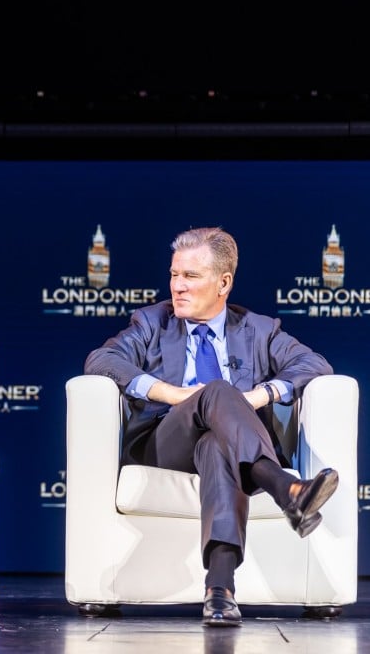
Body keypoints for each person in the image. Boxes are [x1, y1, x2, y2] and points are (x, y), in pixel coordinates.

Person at [83, 226, 338, 627]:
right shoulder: (152, 322)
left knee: (218, 447)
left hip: (230, 447)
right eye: (174, 274)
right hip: (166, 443)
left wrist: (259, 396)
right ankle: (283, 487)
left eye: (190, 276)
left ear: (223, 283)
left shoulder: (258, 329)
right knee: (217, 390)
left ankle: (220, 591)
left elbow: (314, 364)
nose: (177, 286)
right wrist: (171, 393)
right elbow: (102, 360)